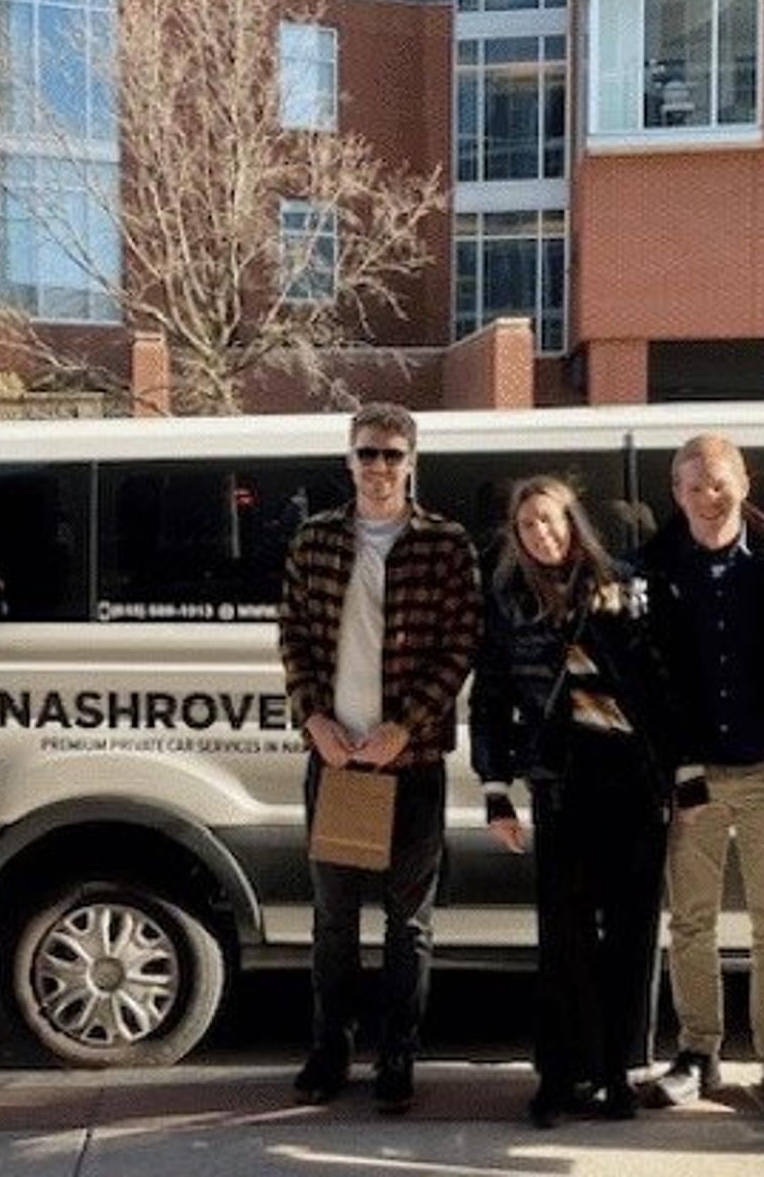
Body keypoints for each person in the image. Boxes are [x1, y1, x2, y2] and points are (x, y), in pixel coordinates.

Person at [278, 402, 480, 1115]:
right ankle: (330, 1047)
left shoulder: (446, 543)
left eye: (393, 454)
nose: (379, 467)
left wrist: (406, 724)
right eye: (368, 453)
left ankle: (398, 1051)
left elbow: (461, 644)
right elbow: (294, 638)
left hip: (411, 760)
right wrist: (314, 718)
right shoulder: (316, 540)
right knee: (333, 920)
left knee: (409, 922)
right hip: (335, 757)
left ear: (412, 461)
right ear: (348, 459)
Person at [471, 475, 673, 1128]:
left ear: (573, 520)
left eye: (552, 520)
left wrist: (682, 772)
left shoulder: (624, 585)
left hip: (632, 782)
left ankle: (618, 1072)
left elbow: (663, 680)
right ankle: (559, 1075)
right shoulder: (505, 598)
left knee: (631, 935)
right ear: (516, 533)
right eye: (529, 525)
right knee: (564, 939)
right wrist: (496, 790)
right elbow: (489, 698)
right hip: (560, 784)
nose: (543, 533)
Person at [640, 435, 764, 1124]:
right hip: (695, 772)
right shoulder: (656, 564)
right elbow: (649, 675)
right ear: (675, 490)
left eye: (718, 483)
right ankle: (697, 1051)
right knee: (691, 920)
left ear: (743, 482)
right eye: (692, 486)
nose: (706, 496)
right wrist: (674, 760)